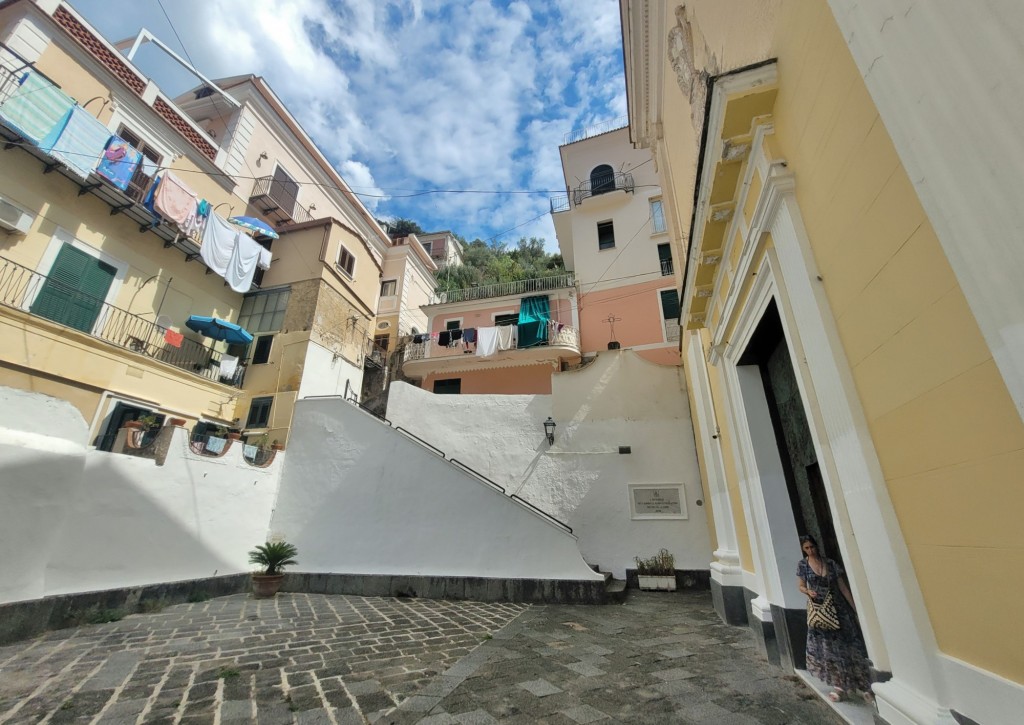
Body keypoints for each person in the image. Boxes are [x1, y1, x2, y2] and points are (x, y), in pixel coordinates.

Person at [797, 534, 872, 703]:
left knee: (851, 647)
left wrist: (855, 609)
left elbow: (843, 588)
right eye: (807, 548)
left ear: (817, 546)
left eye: (812, 547)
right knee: (830, 650)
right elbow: (800, 586)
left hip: (839, 610)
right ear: (803, 550)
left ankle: (862, 684)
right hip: (821, 612)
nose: (810, 550)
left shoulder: (830, 563)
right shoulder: (803, 565)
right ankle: (840, 686)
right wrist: (808, 592)